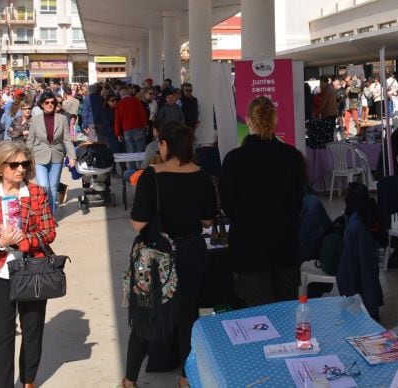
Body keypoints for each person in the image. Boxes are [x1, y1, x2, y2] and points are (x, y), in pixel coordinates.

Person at [122, 121, 215, 388]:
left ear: (164, 145)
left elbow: (138, 223)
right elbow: (207, 221)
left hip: (156, 256)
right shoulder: (202, 175)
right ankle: (186, 378)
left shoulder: (151, 176)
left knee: (145, 316)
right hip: (190, 252)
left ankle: (129, 380)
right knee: (187, 316)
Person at [0, 141, 56, 388]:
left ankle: (28, 380)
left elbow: (48, 232)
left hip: (32, 270)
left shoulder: (37, 193)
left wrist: (24, 242)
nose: (21, 169)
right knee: (2, 335)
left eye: (25, 164)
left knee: (32, 330)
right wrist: (0, 242)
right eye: (14, 164)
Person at [221, 96, 305, 307]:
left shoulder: (234, 159)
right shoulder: (292, 157)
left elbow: (227, 205)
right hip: (285, 246)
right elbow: (299, 200)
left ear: (248, 120)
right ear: (275, 120)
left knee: (258, 321)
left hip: (249, 249)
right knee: (286, 313)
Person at [26, 92, 76, 216]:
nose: (50, 105)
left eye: (52, 102)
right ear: (42, 104)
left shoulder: (62, 119)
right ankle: (44, 215)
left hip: (57, 156)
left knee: (53, 187)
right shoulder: (35, 120)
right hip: (39, 155)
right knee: (44, 187)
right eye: (47, 102)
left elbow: (66, 139)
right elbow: (30, 139)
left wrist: (72, 156)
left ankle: (51, 217)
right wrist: (26, 158)